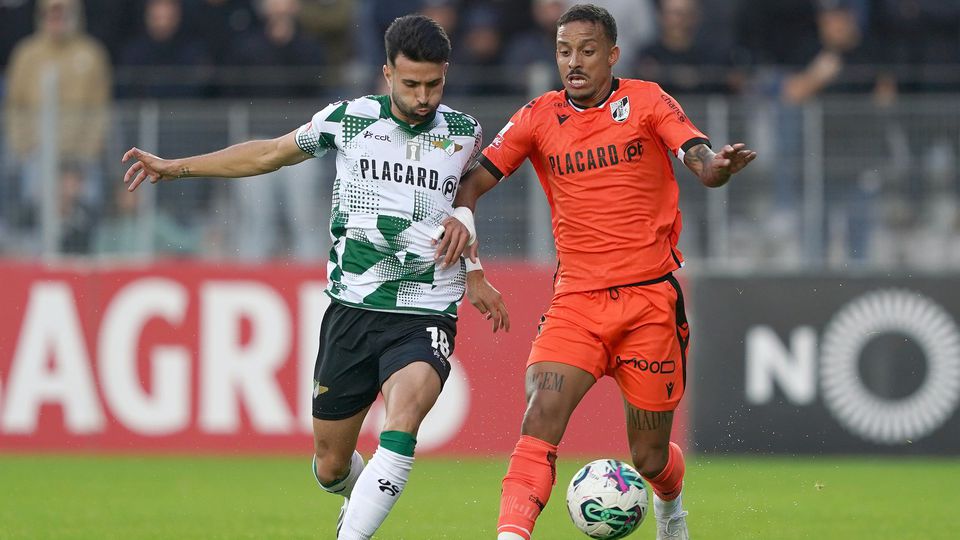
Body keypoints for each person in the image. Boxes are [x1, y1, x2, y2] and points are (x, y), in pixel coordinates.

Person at [122, 14, 510, 539]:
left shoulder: (463, 133)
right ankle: (361, 498)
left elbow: (461, 204)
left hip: (425, 305)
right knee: (330, 467)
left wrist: (476, 270)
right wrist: (175, 167)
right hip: (351, 308)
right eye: (411, 84)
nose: (423, 97)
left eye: (434, 84)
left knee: (402, 422)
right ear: (386, 73)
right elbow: (268, 154)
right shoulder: (347, 120)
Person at [435, 4, 756, 539]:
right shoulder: (538, 116)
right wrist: (472, 264)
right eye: (564, 51)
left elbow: (698, 157)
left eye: (587, 51)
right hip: (576, 304)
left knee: (650, 456)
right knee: (540, 415)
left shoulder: (647, 100)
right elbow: (469, 185)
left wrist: (716, 170)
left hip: (650, 302)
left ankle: (671, 508)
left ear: (612, 54)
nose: (574, 62)